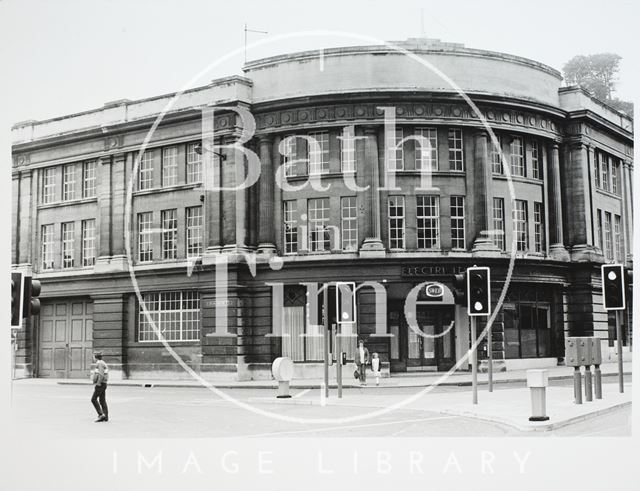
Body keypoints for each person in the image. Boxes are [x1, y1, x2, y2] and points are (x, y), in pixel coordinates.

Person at [90, 351, 109, 422]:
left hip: (100, 384)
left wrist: (98, 383)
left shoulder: (99, 363)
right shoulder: (102, 362)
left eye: (93, 356)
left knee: (93, 399)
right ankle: (105, 416)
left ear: (95, 357)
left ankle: (101, 414)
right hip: (103, 383)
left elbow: (101, 374)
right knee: (102, 400)